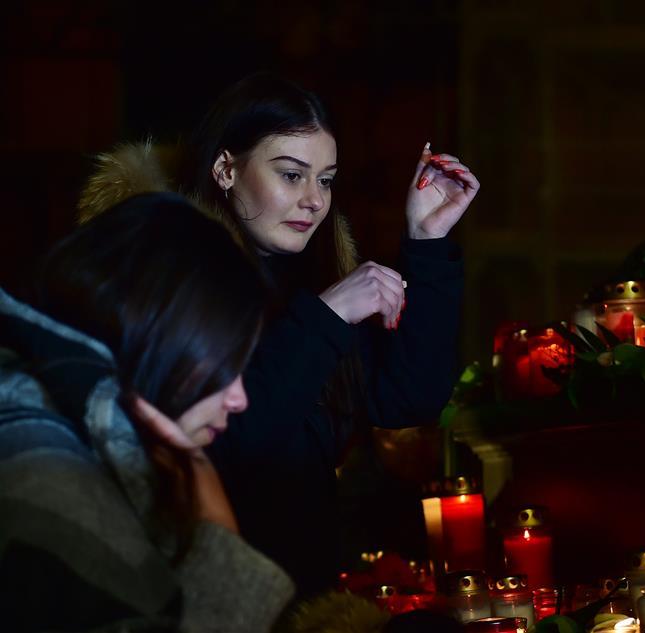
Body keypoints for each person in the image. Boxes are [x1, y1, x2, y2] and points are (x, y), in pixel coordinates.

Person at [78, 72, 480, 596]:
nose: (314, 200)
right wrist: (327, 317)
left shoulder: (311, 276)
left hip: (307, 598)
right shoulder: (164, 281)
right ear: (225, 169)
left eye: (326, 180)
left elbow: (407, 399)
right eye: (292, 175)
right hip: (206, 599)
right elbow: (232, 447)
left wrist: (427, 240)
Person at [0, 193, 293, 632]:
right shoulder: (49, 473)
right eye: (226, 365)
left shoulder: (60, 424)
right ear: (163, 337)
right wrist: (219, 539)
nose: (239, 398)